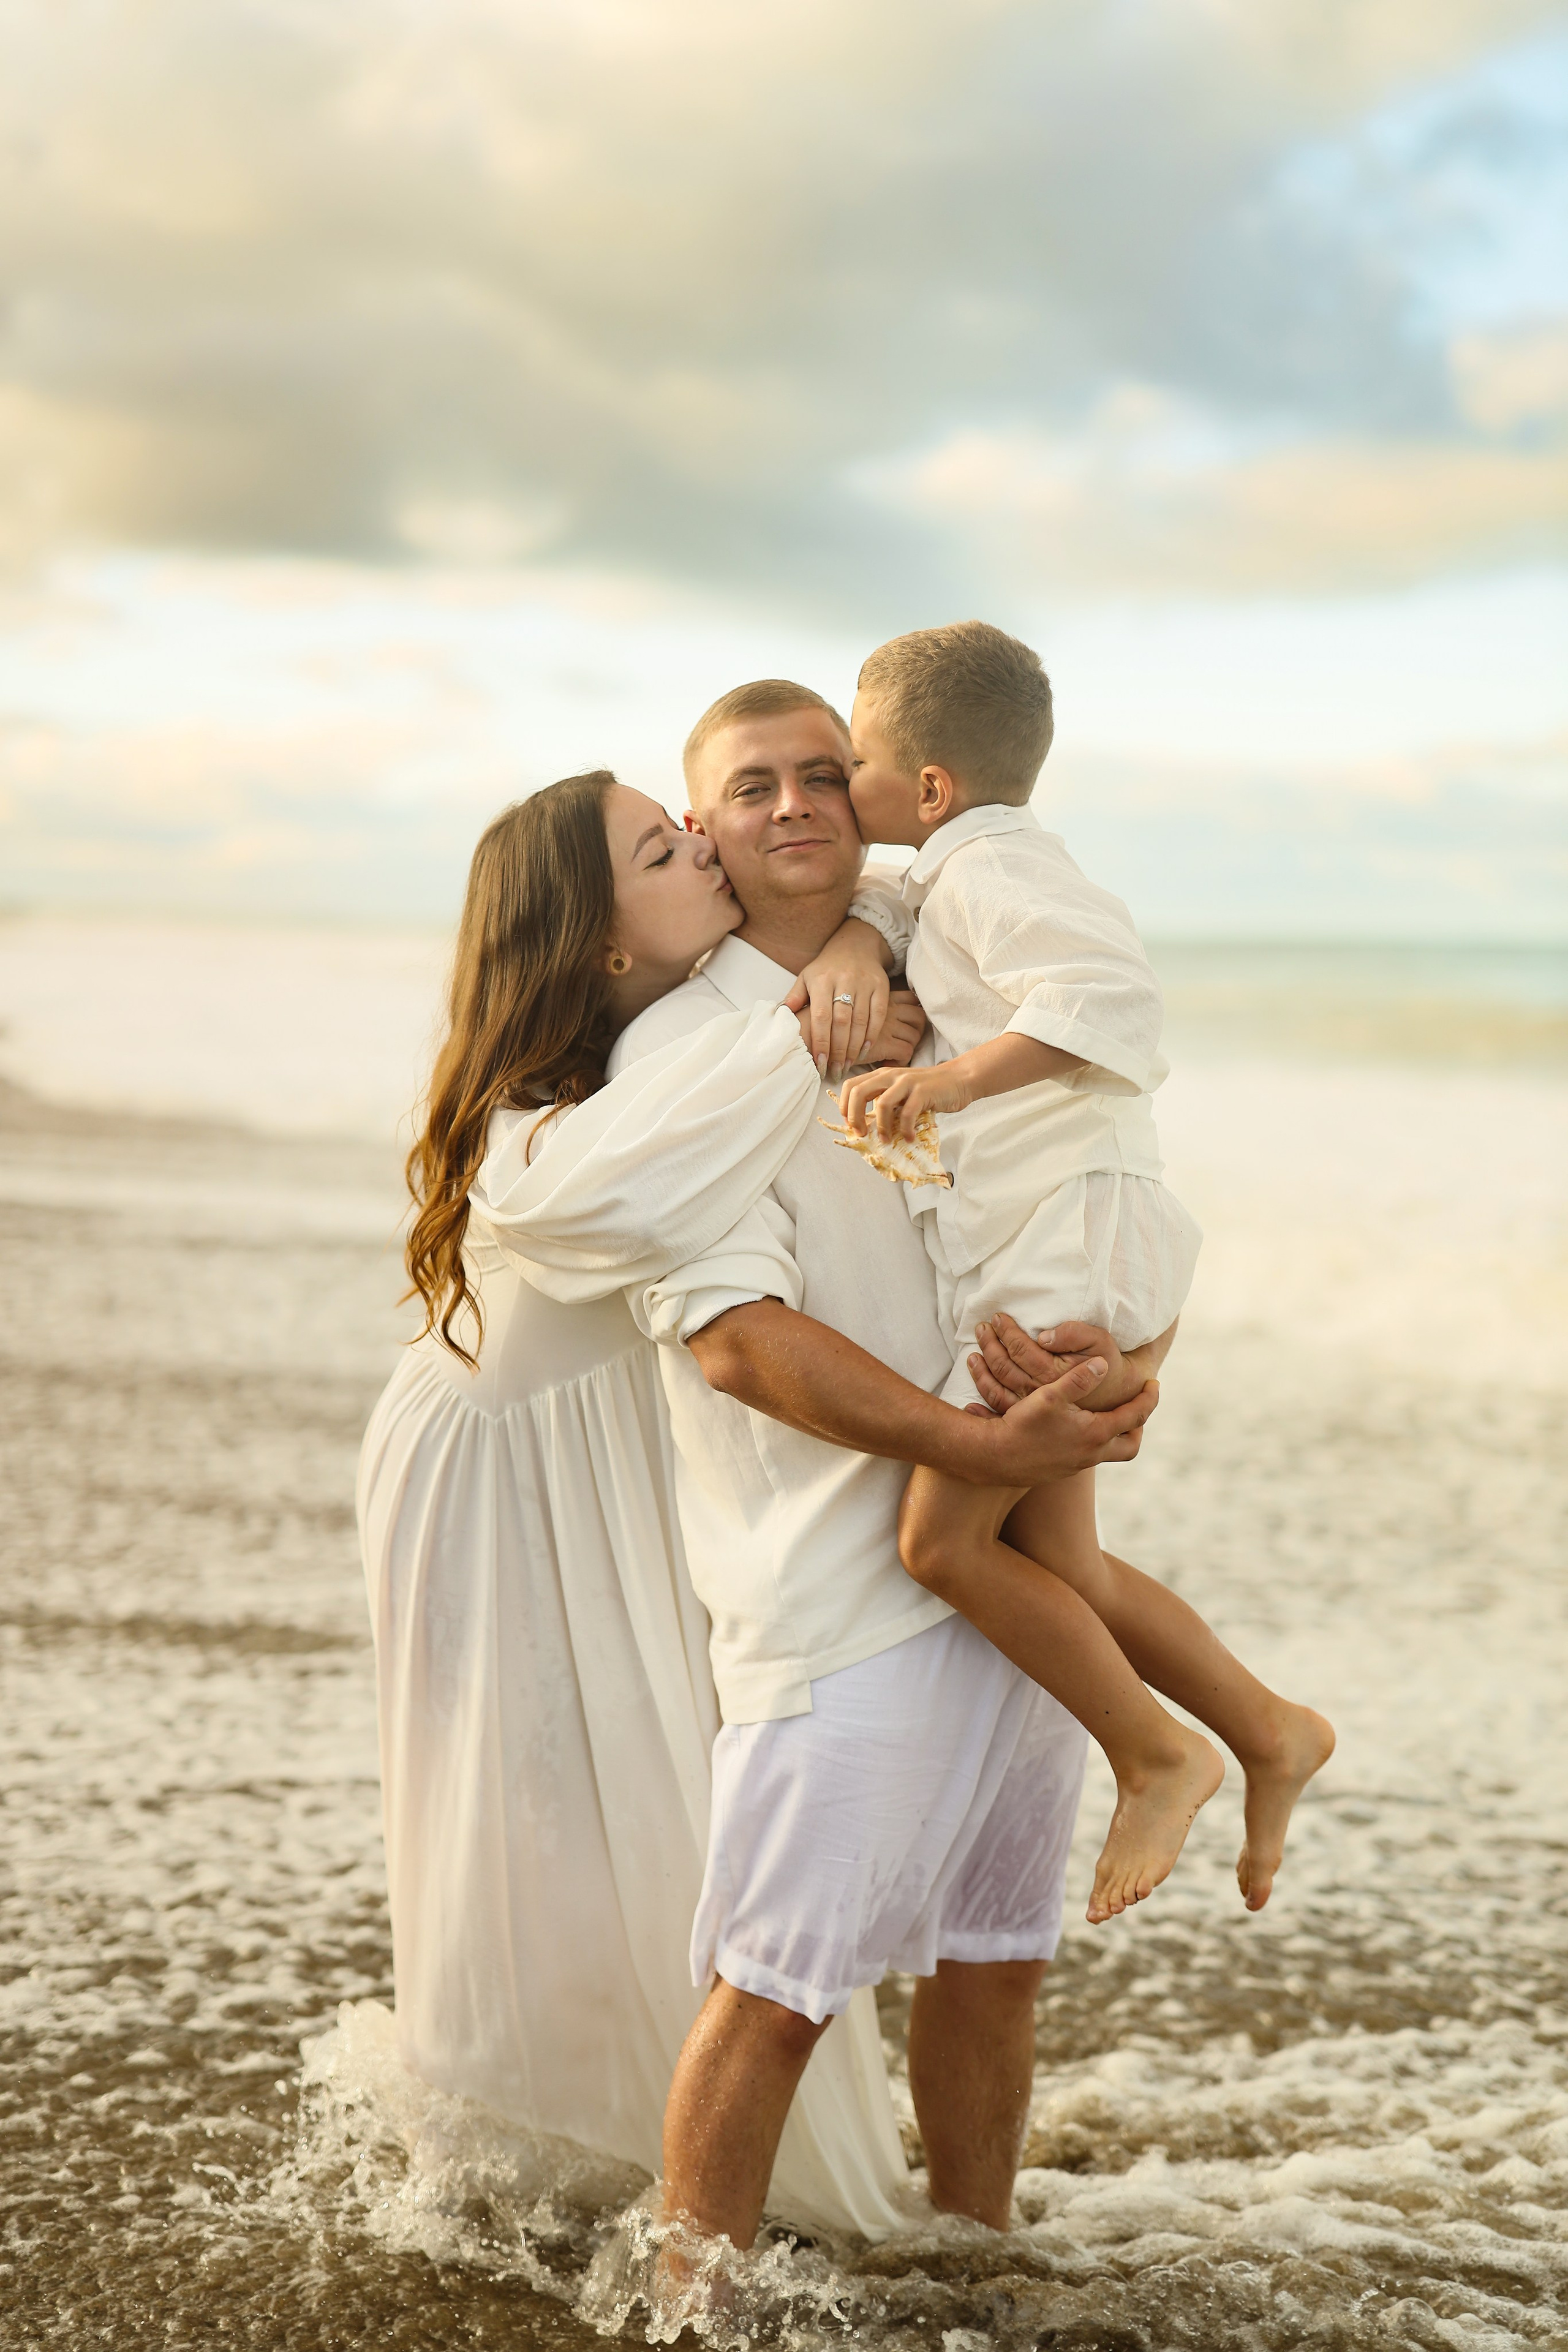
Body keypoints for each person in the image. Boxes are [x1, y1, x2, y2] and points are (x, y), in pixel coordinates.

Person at [603, 679, 1161, 2264]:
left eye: (821, 777)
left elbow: (1062, 1002)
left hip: (1004, 1582)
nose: (794, 806)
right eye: (751, 788)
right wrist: (986, 1446)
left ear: (872, 798)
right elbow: (735, 1341)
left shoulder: (934, 954)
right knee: (776, 1983)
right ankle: (685, 2300)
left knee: (997, 1957)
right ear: (702, 827)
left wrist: (1084, 1379)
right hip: (831, 1592)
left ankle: (974, 2263)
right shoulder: (682, 1059)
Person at [357, 767, 927, 2239]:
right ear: (601, 941)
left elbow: (859, 909)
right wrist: (810, 1019)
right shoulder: (544, 1120)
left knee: (658, 1796)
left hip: (604, 1451)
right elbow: (633, 1200)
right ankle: (517, 2149)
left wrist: (849, 944)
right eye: (664, 849)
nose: (709, 855)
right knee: (531, 1811)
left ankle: (653, 2144)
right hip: (495, 1466)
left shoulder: (689, 1031)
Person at [837, 620, 1335, 1925]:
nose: (840, 783)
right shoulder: (960, 872)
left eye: (855, 760)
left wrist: (941, 1078)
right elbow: (886, 908)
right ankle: (1269, 1729)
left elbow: (1104, 995)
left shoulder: (998, 872)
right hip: (1062, 1232)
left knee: (940, 1542)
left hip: (1070, 1235)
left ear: (929, 789)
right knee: (1066, 1564)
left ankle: (1157, 1755)